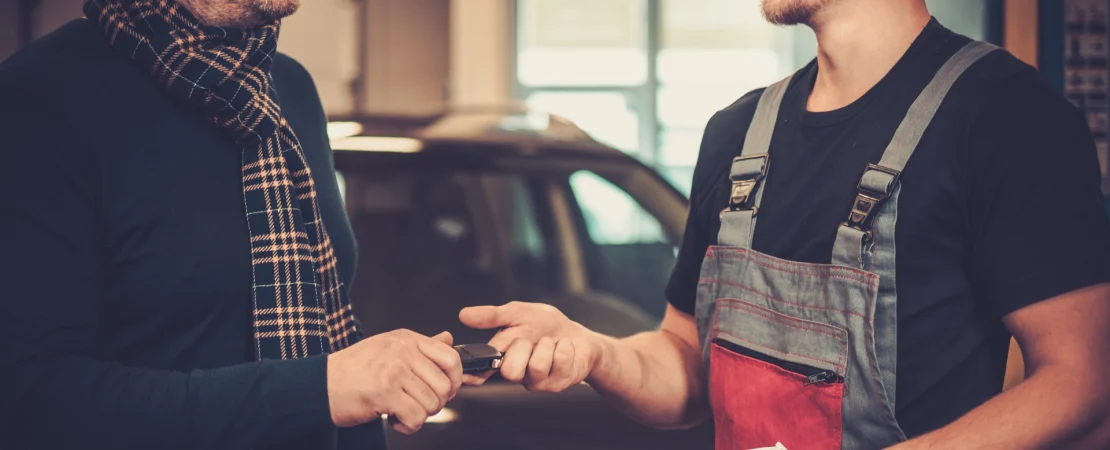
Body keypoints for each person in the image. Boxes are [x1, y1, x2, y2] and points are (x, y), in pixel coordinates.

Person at [460, 0, 1110, 448]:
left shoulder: (1007, 118)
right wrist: (594, 352)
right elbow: (686, 366)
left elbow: (1083, 381)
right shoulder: (736, 136)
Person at [0, 1, 463, 449]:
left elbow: (321, 330)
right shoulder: (35, 100)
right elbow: (32, 401)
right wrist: (319, 390)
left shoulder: (290, 85)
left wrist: (402, 371)